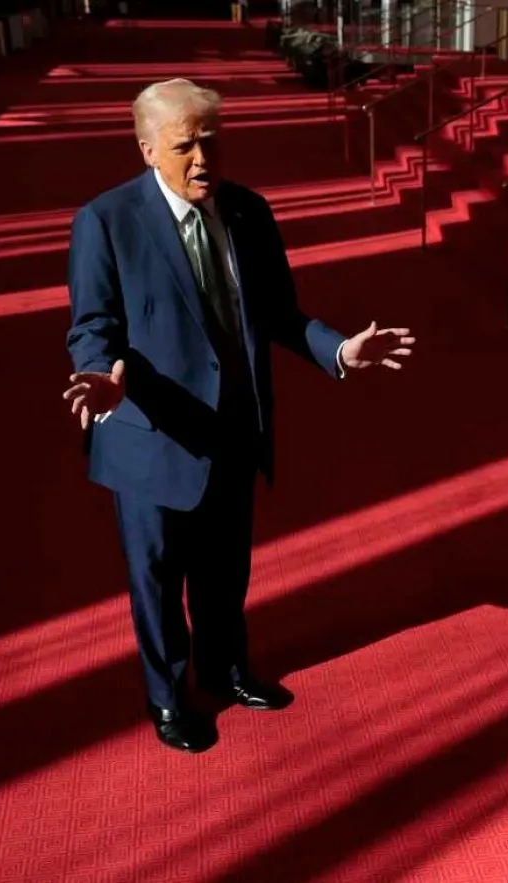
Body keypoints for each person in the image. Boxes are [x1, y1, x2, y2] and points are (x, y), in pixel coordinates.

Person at [63, 79, 415, 753]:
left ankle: (225, 671)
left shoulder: (249, 210)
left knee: (225, 572)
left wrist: (339, 350)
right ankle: (168, 698)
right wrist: (100, 375)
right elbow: (93, 323)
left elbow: (280, 312)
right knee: (158, 582)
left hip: (233, 426)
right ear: (147, 150)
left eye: (212, 141)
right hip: (152, 434)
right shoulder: (105, 221)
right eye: (184, 146)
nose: (203, 159)